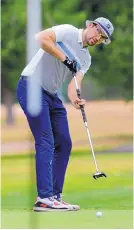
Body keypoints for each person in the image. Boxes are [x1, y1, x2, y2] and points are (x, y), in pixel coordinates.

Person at [16, 17, 114, 212]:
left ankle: (54, 196)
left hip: (51, 96)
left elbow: (73, 85)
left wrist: (76, 100)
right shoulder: (68, 31)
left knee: (64, 142)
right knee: (45, 140)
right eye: (98, 32)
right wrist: (65, 58)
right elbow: (41, 38)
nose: (98, 38)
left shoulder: (86, 59)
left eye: (103, 38)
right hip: (31, 87)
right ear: (90, 25)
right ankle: (44, 198)